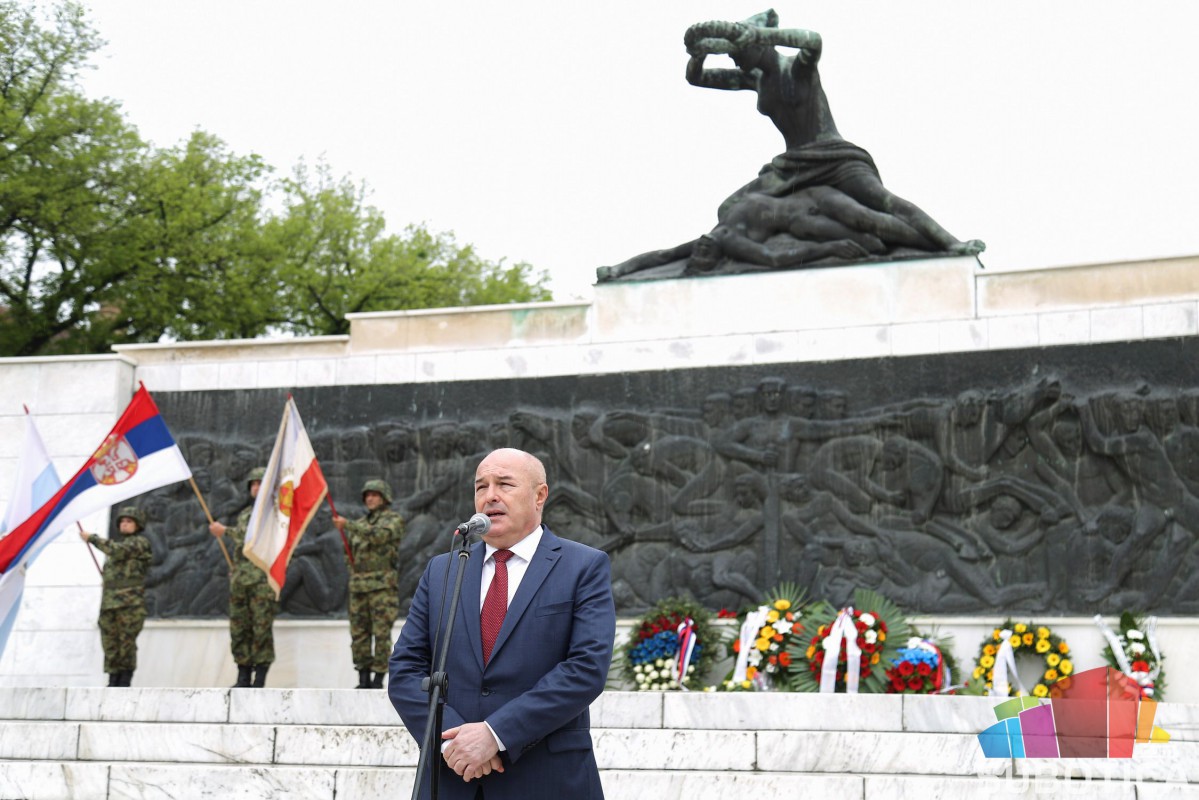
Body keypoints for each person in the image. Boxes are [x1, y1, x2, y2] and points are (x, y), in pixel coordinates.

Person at [389, 448, 616, 800]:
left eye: (505, 484)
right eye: (481, 486)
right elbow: (405, 669)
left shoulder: (583, 567)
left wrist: (495, 734)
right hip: (451, 780)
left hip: (546, 780)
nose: (490, 495)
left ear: (540, 495)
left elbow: (585, 669)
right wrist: (451, 741)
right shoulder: (442, 570)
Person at [684, 12, 985, 257]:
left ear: (758, 45)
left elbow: (813, 41)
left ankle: (948, 243)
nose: (734, 59)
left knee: (881, 203)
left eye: (737, 52)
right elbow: (696, 78)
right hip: (792, 166)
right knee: (730, 208)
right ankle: (788, 246)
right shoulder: (756, 79)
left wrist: (761, 34)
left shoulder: (798, 69)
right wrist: (698, 55)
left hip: (834, 157)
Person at [333, 479, 405, 689]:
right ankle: (363, 678)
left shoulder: (394, 520)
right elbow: (350, 554)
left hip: (382, 588)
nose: (370, 499)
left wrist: (348, 525)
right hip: (359, 587)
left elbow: (380, 537)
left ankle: (378, 680)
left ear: (384, 498)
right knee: (359, 634)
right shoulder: (360, 523)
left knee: (381, 634)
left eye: (374, 495)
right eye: (367, 495)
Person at [208, 467, 276, 688]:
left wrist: (225, 531)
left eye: (260, 483)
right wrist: (236, 569)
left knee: (260, 629)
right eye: (253, 484)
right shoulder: (246, 513)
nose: (256, 487)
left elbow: (253, 539)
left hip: (261, 580)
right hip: (241, 580)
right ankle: (243, 676)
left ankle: (260, 679)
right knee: (239, 629)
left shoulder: (273, 512)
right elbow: (242, 549)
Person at [80, 506, 152, 687]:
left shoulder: (139, 543)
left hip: (130, 605)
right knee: (110, 643)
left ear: (137, 524)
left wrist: (93, 539)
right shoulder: (116, 549)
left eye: (129, 521)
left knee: (126, 644)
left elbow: (118, 550)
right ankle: (113, 679)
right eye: (122, 521)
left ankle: (124, 680)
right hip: (110, 603)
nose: (124, 524)